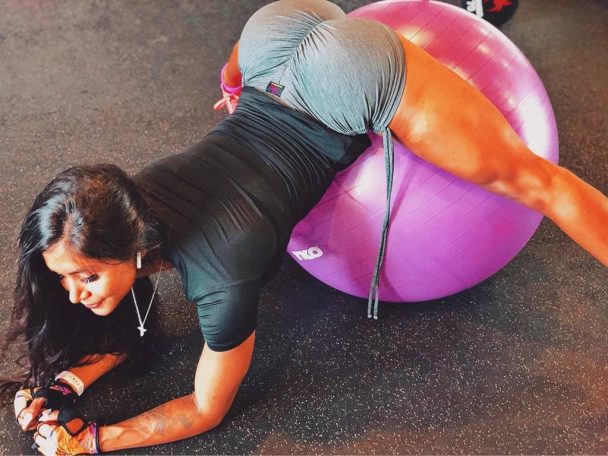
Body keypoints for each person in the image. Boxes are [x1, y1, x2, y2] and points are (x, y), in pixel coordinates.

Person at [2, 0, 606, 454]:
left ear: (131, 248)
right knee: (240, 77)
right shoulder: (121, 204)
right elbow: (120, 304)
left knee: (540, 183)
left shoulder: (222, 282)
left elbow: (206, 409)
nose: (74, 293)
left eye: (85, 277)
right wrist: (66, 384)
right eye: (67, 279)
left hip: (348, 76)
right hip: (269, 37)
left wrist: (96, 441)